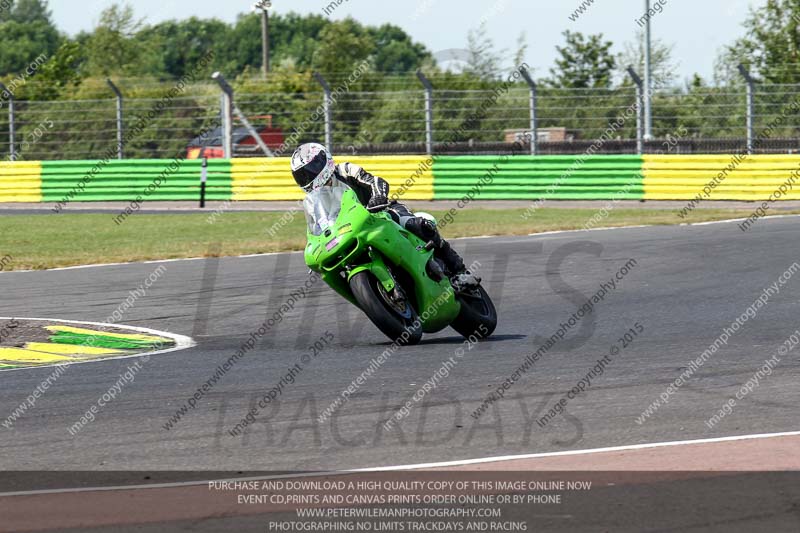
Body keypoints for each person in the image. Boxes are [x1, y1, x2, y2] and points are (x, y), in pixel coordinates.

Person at [290, 142, 479, 289]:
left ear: (323, 160)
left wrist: (378, 197)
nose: (308, 178)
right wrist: (318, 249)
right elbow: (317, 227)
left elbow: (375, 181)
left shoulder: (344, 170)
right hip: (348, 232)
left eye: (310, 171)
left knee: (417, 225)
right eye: (302, 176)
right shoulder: (314, 201)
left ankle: (460, 271)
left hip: (380, 212)